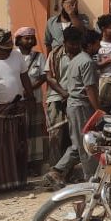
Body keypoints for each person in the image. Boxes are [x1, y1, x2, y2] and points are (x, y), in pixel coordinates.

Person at [44, 29, 102, 187]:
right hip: (81, 106)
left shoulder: (76, 59)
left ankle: (57, 170)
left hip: (74, 105)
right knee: (87, 143)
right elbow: (90, 88)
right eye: (98, 43)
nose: (99, 47)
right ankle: (91, 178)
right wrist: (99, 110)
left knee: (78, 143)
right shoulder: (87, 62)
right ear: (90, 44)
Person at [0, 25, 33, 192]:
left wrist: (30, 97)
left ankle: (20, 182)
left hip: (18, 108)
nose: (8, 51)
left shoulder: (17, 55)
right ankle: (3, 185)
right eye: (4, 49)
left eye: (9, 47)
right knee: (2, 151)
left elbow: (24, 77)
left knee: (20, 147)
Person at [14, 27, 48, 176]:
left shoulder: (39, 56)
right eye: (26, 38)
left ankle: (33, 166)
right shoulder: (13, 56)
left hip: (35, 100)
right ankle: (20, 165)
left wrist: (29, 89)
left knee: (35, 134)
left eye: (31, 38)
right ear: (19, 40)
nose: (29, 41)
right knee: (20, 134)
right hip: (18, 102)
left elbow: (43, 77)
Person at [43, 33, 71, 170]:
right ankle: (54, 169)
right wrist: (63, 93)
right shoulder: (54, 54)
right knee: (56, 136)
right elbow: (49, 77)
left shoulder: (81, 54)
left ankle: (68, 170)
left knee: (72, 136)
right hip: (56, 98)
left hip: (75, 99)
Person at [95, 14, 111, 113]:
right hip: (105, 80)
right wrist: (107, 61)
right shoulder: (98, 45)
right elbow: (95, 65)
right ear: (103, 29)